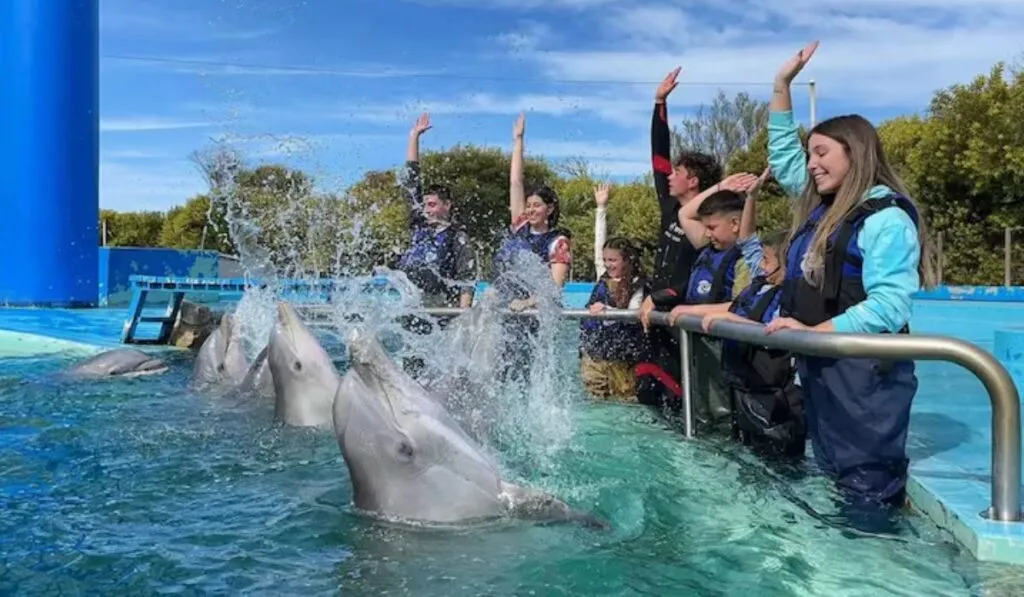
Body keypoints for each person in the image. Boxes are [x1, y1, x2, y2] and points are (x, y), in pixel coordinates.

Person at [763, 41, 936, 509]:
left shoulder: (883, 218)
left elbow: (890, 304)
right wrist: (781, 87)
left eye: (821, 152)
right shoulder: (825, 208)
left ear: (854, 153)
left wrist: (815, 334)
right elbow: (783, 158)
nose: (811, 164)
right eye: (810, 154)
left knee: (866, 489)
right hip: (824, 363)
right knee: (833, 474)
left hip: (864, 374)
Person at [635, 67, 723, 414]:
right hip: (653, 314)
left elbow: (698, 276)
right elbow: (658, 157)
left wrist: (657, 298)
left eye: (679, 174)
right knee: (647, 396)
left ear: (694, 181)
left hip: (680, 316)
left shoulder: (707, 222)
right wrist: (659, 103)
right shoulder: (670, 205)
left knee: (680, 404)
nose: (670, 176)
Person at [490, 113, 572, 380]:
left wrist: (527, 303)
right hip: (507, 312)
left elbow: (554, 286)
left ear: (549, 209)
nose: (530, 209)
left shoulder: (557, 242)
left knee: (525, 374)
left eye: (536, 205)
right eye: (528, 205)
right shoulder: (520, 227)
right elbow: (515, 182)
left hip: (532, 319)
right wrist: (518, 141)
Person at [396, 113, 476, 316]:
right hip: (412, 306)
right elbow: (412, 182)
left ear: (447, 205)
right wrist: (413, 136)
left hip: (440, 307)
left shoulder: (457, 236)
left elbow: (467, 278)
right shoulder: (419, 225)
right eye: (426, 205)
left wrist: (463, 317)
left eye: (432, 204)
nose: (427, 209)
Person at [579, 183, 648, 401]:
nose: (608, 264)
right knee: (595, 400)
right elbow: (599, 240)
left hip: (623, 359)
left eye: (613, 260)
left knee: (626, 400)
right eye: (606, 260)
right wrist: (601, 208)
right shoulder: (603, 275)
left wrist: (606, 310)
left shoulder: (639, 285)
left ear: (627, 260)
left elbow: (633, 316)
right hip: (596, 354)